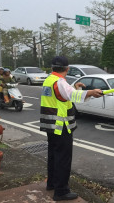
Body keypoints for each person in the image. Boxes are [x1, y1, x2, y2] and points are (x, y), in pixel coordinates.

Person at [40, 56, 103, 201]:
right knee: (63, 159)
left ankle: (52, 184)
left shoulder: (49, 80)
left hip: (50, 125)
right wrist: (90, 92)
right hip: (61, 126)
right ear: (67, 69)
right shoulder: (60, 81)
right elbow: (70, 95)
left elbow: (62, 96)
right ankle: (61, 191)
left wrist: (75, 88)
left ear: (52, 68)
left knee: (53, 156)